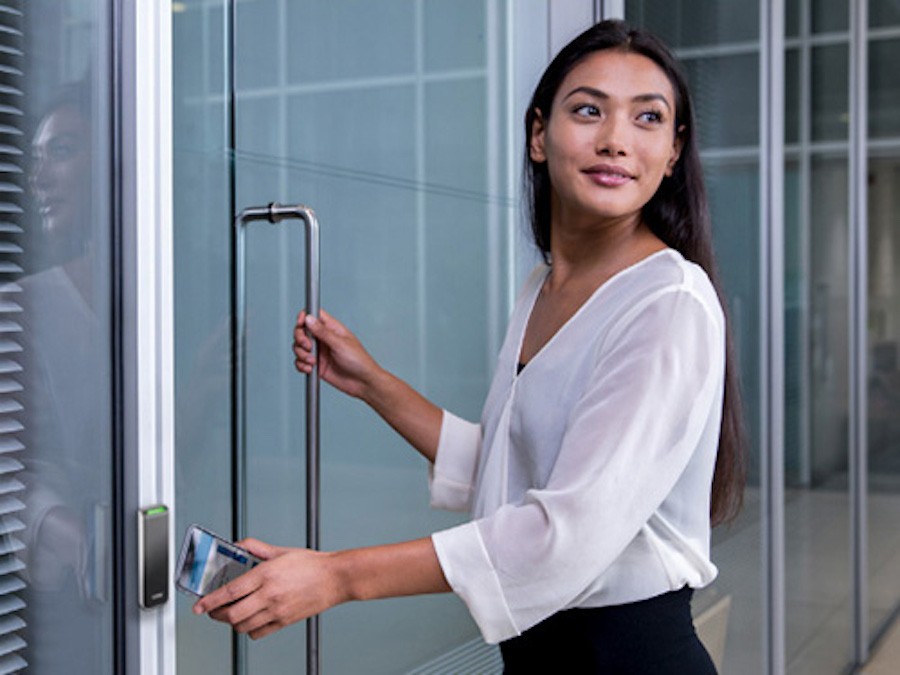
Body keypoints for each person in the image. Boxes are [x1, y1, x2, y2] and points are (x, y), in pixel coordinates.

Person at [194, 19, 745, 673]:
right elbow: (510, 464)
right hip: (542, 654)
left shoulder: (668, 302)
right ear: (539, 135)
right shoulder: (543, 286)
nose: (616, 141)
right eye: (589, 110)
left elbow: (561, 535)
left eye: (648, 119)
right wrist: (374, 384)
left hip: (627, 657)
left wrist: (339, 576)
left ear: (674, 151)